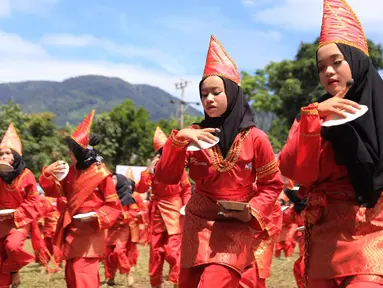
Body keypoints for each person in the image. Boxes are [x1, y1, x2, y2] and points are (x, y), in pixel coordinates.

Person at [154, 35, 283, 288]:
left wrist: (252, 211)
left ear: (233, 94)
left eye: (216, 92)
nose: (208, 99)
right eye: (204, 95)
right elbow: (166, 177)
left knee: (215, 281)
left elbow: (272, 185)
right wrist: (179, 141)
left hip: (235, 223)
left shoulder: (256, 138)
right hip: (198, 223)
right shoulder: (193, 135)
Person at [278, 0, 383, 287]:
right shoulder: (312, 115)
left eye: (337, 62)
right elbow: (298, 172)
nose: (328, 72)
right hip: (324, 235)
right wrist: (312, 120)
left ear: (357, 61)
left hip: (374, 233)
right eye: (321, 66)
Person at [39, 110, 122, 288]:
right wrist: (47, 174)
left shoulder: (101, 174)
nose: (69, 153)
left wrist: (97, 216)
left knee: (82, 273)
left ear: (82, 152)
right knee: (71, 275)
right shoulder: (71, 172)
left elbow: (114, 206)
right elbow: (54, 191)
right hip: (72, 230)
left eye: (72, 150)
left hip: (91, 231)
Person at [136, 126, 192, 288]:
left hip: (175, 212)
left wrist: (186, 206)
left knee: (174, 252)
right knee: (155, 253)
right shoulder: (152, 169)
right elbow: (141, 189)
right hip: (157, 214)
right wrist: (148, 170)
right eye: (160, 153)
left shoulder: (178, 168)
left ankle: (176, 282)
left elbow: (187, 189)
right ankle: (156, 284)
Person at [0, 124, 41, 288]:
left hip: (19, 220)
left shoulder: (27, 175)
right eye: (0, 153)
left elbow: (33, 201)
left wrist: (16, 213)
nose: (3, 156)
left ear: (16, 156)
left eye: (7, 153)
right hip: (0, 220)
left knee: (13, 246)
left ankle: (15, 270)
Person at [104, 172, 136, 287]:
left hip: (122, 228)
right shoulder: (108, 196)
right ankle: (110, 278)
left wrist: (123, 215)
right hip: (111, 228)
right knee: (108, 254)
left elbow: (134, 212)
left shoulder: (128, 198)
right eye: (111, 178)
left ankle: (128, 273)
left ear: (121, 182)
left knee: (119, 251)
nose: (112, 180)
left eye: (114, 178)